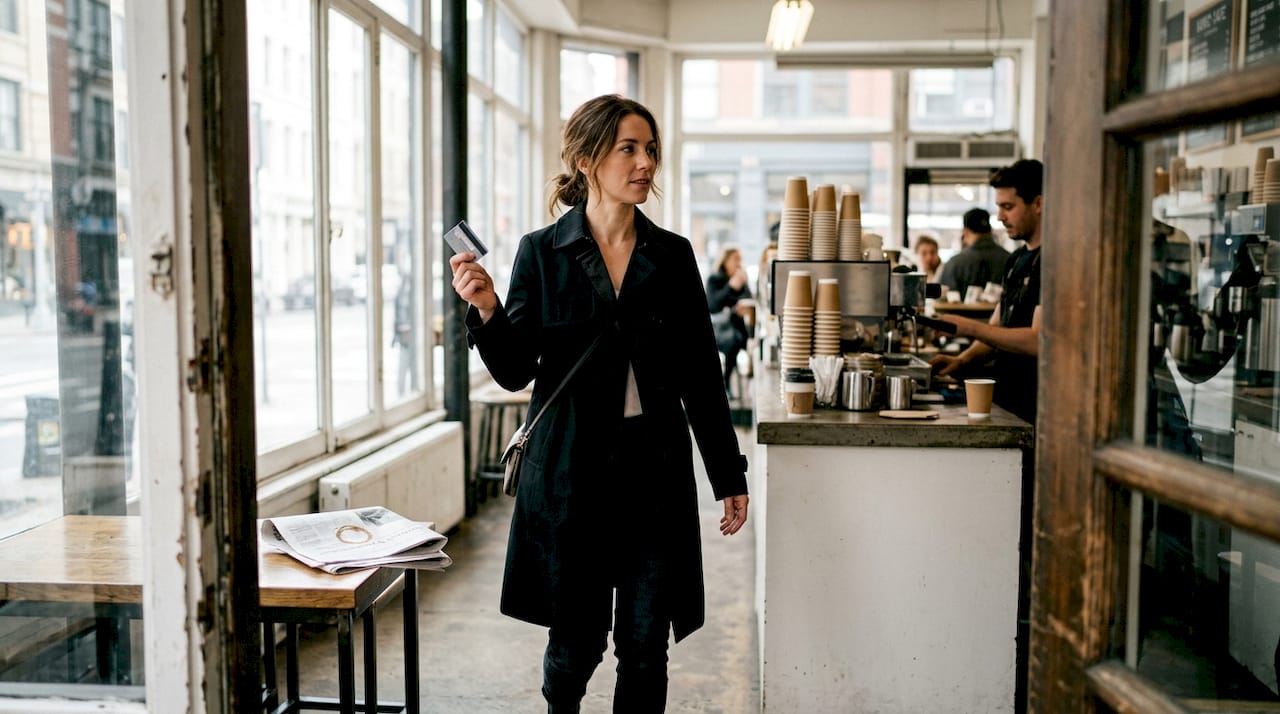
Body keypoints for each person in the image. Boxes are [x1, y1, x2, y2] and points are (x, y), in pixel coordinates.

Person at [449, 94, 750, 713]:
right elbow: (515, 372)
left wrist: (728, 474)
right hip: (570, 475)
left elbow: (701, 375)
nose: (645, 164)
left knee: (645, 646)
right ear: (587, 160)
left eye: (651, 150)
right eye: (629, 149)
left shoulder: (672, 257)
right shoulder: (542, 252)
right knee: (576, 643)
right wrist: (486, 310)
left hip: (654, 474)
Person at [929, 159, 1043, 423]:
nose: (1000, 217)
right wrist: (961, 360)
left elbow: (1037, 341)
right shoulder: (1015, 261)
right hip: (1006, 401)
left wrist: (968, 327)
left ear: (1037, 204)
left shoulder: (1052, 262)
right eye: (999, 207)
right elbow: (997, 328)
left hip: (1035, 408)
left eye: (1008, 207)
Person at [705, 246, 751, 391]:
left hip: (737, 328)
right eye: (735, 259)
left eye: (740, 259)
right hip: (717, 328)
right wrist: (731, 287)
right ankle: (725, 382)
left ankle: (729, 382)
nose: (738, 263)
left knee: (739, 340)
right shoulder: (714, 279)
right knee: (733, 341)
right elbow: (712, 304)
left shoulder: (741, 279)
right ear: (725, 261)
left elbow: (748, 299)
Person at [939, 207, 1011, 299]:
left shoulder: (954, 263)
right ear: (990, 231)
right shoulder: (1010, 259)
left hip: (959, 313)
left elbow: (942, 299)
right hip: (1000, 313)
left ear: (965, 232)